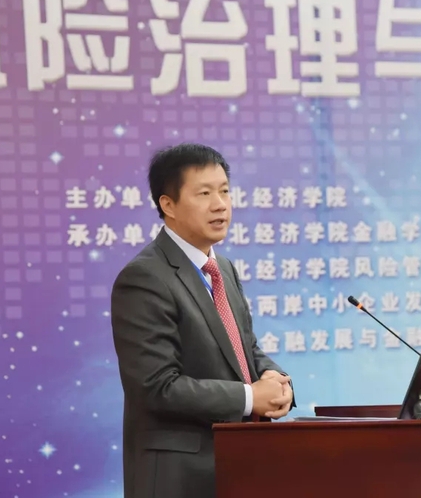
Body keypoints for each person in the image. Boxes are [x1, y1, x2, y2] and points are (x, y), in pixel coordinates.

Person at [110, 143, 295, 498]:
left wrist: (274, 378)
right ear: (168, 205)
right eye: (204, 193)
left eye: (224, 191)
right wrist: (248, 397)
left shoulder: (222, 268)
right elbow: (156, 387)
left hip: (236, 466)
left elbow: (245, 349)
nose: (220, 204)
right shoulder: (145, 277)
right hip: (179, 477)